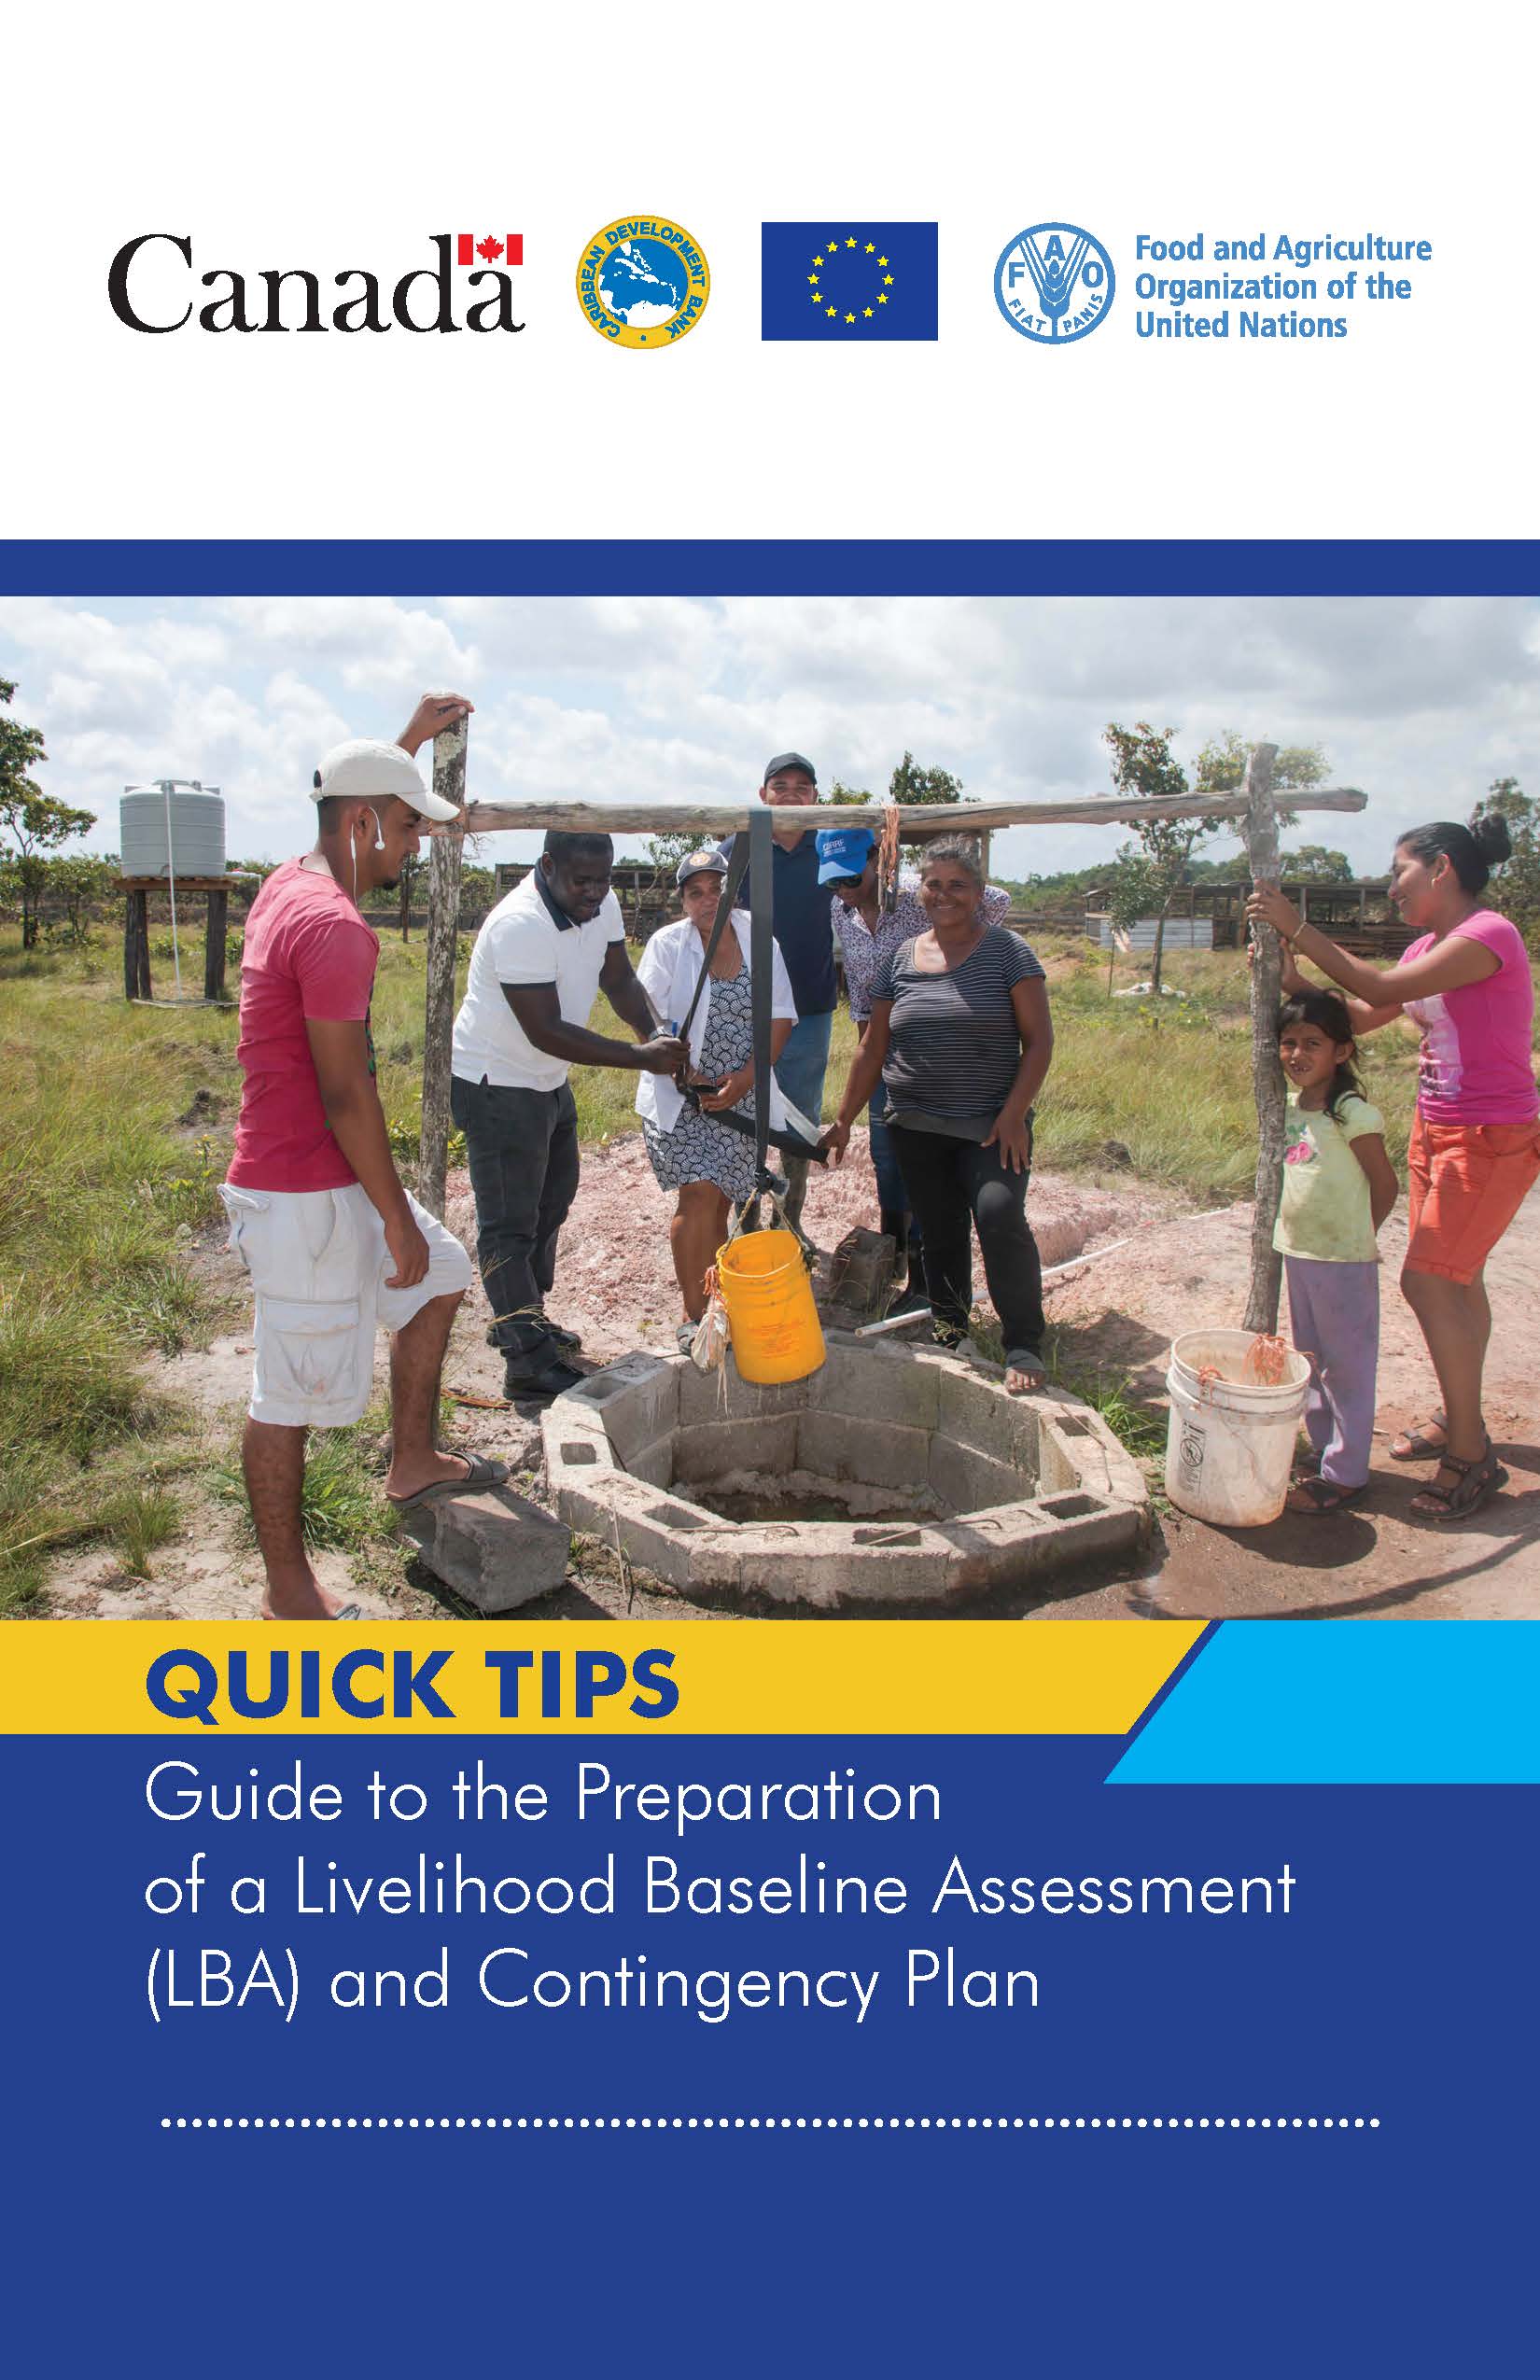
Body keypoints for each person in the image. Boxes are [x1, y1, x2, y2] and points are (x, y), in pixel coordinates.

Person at [220, 695, 505, 1622]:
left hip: (317, 1173)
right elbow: (347, 1094)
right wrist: (391, 1217)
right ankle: (288, 1592)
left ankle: (411, 1456)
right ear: (362, 822)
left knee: (443, 1270)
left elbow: (349, 797)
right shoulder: (337, 928)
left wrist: (406, 745)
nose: (414, 845)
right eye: (408, 826)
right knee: (286, 1396)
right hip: (301, 1190)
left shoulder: (290, 880)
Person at [1248, 812, 1539, 1523]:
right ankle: (1459, 1413)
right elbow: (1361, 1013)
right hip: (1438, 1128)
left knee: (1429, 1281)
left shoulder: (1488, 936)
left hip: (1490, 1134)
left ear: (1441, 868)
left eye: (1399, 871)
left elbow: (1378, 990)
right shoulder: (1431, 946)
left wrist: (1298, 928)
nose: (1391, 886)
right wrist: (1293, 974)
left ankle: (1471, 1455)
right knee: (1456, 1278)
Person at [451, 832, 686, 1400]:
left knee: (553, 1199)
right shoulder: (520, 924)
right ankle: (527, 1366)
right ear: (547, 865)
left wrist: (654, 1029)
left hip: (545, 1080)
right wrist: (640, 1059)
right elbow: (546, 1029)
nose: (596, 892)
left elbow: (619, 979)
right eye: (582, 881)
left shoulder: (598, 903)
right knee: (508, 1223)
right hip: (497, 1082)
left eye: (604, 879)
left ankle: (523, 1318)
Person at [820, 837, 1055, 1393]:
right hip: (915, 1124)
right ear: (918, 891)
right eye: (934, 884)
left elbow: (1039, 1041)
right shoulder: (901, 959)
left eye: (958, 885)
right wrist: (846, 1116)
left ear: (977, 893)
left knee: (999, 1217)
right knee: (940, 1232)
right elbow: (872, 1048)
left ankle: (1023, 1340)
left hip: (990, 1127)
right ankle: (952, 1330)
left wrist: (1015, 1115)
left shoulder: (1008, 952)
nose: (944, 895)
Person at [818, 823, 1012, 1312]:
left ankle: (929, 1279)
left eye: (852, 877)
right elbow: (861, 990)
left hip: (941, 1057)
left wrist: (956, 918)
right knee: (888, 1159)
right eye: (832, 880)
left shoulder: (918, 895)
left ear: (878, 864)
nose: (843, 888)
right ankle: (894, 1255)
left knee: (933, 1171)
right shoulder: (841, 912)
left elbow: (998, 900)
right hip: (881, 1053)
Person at [635, 848, 798, 1346]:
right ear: (683, 900)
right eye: (696, 892)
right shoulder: (668, 945)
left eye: (717, 889)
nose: (708, 901)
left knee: (723, 1197)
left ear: (732, 892)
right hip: (681, 1094)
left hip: (742, 1095)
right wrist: (691, 1074)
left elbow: (781, 1017)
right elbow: (645, 1015)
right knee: (700, 1192)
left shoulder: (758, 939)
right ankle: (693, 1317)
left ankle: (715, 1306)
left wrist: (747, 1078)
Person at [1270, 989, 1400, 1513]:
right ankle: (1324, 1448)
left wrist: (1358, 1237)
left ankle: (1347, 1472)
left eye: (1312, 1044)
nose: (1297, 1055)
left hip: (1344, 1260)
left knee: (1347, 1366)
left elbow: (1386, 1185)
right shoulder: (1288, 1107)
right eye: (1288, 1044)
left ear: (1342, 1052)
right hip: (1299, 1253)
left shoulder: (1351, 1113)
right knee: (1313, 1359)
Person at [716, 752, 834, 1230]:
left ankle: (790, 1222)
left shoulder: (831, 847)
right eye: (779, 785)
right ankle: (747, 1222)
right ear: (762, 794)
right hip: (746, 1010)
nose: (790, 794)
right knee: (744, 1114)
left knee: (800, 1122)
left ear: (815, 798)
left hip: (809, 1007)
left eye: (801, 787)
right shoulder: (736, 850)